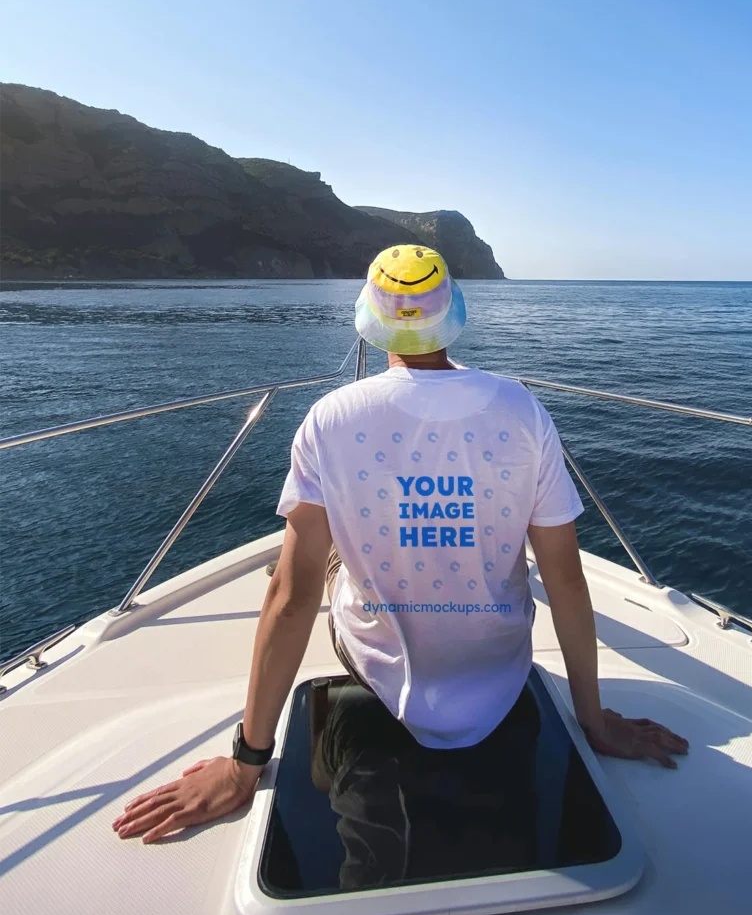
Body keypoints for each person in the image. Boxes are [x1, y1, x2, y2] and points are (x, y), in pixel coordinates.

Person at [113, 244, 687, 844]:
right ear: (453, 313)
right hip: (500, 677)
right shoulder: (523, 412)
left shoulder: (329, 418)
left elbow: (291, 596)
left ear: (369, 316)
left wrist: (244, 764)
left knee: (315, 561)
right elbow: (566, 580)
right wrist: (593, 723)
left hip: (376, 668)